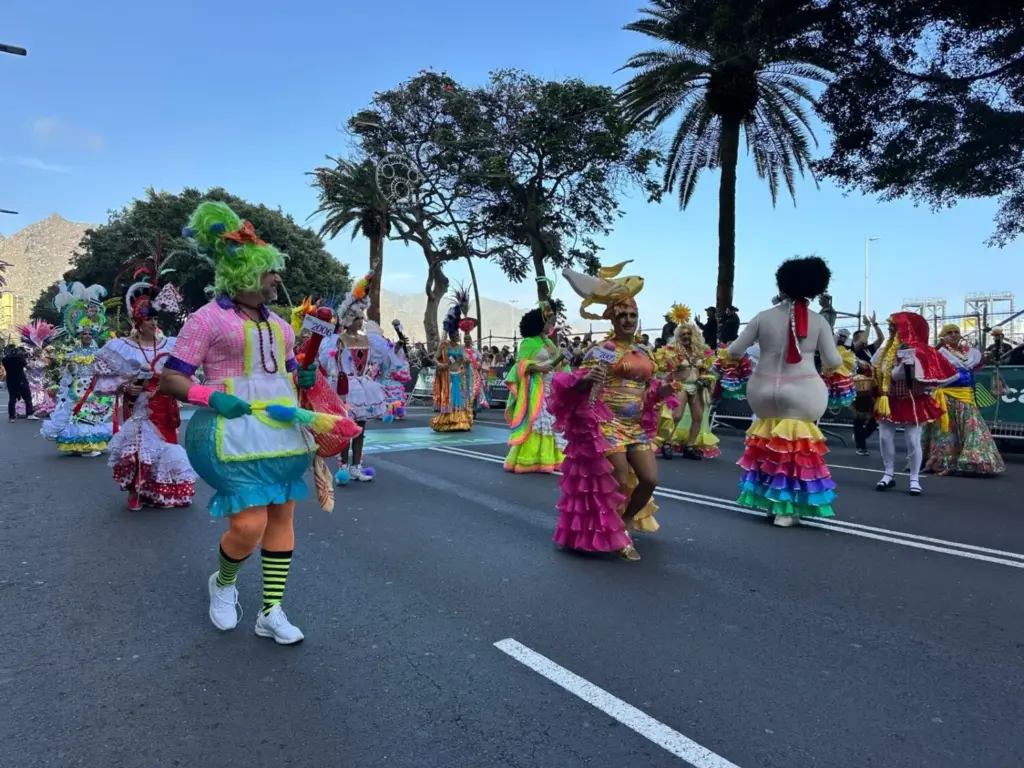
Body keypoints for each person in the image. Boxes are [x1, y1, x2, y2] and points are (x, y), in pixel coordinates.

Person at [159, 201, 330, 645]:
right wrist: (211, 396)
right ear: (246, 272)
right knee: (248, 526)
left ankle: (270, 610)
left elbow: (288, 374)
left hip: (280, 435)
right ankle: (223, 582)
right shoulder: (206, 320)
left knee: (282, 516)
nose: (277, 278)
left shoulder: (282, 328)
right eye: (270, 270)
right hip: (228, 434)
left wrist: (304, 377)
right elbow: (171, 378)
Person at [548, 261, 678, 561]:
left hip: (635, 427)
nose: (628, 320)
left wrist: (663, 391)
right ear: (612, 319)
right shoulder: (602, 350)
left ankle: (624, 521)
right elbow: (579, 387)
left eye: (633, 315)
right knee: (617, 477)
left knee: (650, 479)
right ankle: (616, 534)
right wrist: (586, 381)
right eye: (623, 315)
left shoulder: (645, 352)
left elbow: (648, 390)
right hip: (607, 425)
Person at [726, 256, 846, 527]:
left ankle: (771, 503)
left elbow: (734, 350)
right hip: (803, 389)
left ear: (782, 285)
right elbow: (833, 360)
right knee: (794, 452)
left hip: (762, 390)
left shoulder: (762, 317)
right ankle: (786, 510)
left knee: (768, 447)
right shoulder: (818, 321)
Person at [99, 275, 197, 510]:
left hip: (165, 407)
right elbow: (109, 382)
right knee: (139, 448)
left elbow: (183, 375)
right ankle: (136, 492)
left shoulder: (169, 345)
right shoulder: (122, 348)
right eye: (149, 319)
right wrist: (127, 387)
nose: (154, 323)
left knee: (166, 448)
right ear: (138, 322)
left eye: (155, 318)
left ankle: (160, 492)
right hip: (139, 407)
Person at [870, 312, 957, 496]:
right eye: (890, 326)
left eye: (894, 326)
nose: (890, 329)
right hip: (888, 400)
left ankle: (914, 478)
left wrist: (910, 367)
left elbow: (931, 375)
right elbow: (877, 368)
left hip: (912, 401)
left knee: (912, 439)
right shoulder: (885, 349)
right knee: (884, 438)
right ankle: (888, 474)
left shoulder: (921, 350)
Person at [318, 275, 388, 483]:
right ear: (348, 319)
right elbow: (326, 362)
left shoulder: (367, 339)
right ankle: (344, 467)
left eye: (361, 318)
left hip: (362, 387)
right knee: (345, 430)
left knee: (360, 429)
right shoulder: (336, 340)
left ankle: (357, 466)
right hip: (344, 388)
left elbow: (379, 358)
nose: (360, 321)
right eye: (357, 318)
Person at [922, 323, 1004, 476]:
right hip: (946, 398)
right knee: (946, 433)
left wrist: (994, 350)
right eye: (950, 332)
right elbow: (927, 361)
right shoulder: (940, 352)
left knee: (973, 429)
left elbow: (981, 362)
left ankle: (973, 462)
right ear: (943, 336)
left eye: (956, 332)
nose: (954, 334)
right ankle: (945, 463)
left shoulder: (970, 353)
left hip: (966, 397)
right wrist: (938, 345)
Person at [503, 298, 568, 473]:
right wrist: (538, 368)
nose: (551, 326)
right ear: (541, 323)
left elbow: (557, 364)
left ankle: (550, 458)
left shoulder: (550, 343)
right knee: (536, 420)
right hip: (534, 389)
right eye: (549, 323)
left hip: (551, 388)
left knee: (551, 422)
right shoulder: (529, 342)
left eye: (552, 323)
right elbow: (519, 366)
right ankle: (529, 459)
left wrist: (564, 362)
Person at [40, 319, 116, 457]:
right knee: (76, 416)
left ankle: (90, 445)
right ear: (80, 336)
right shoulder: (72, 354)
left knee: (92, 415)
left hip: (94, 389)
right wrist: (69, 372)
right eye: (84, 334)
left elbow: (104, 371)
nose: (87, 336)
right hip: (77, 389)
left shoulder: (99, 354)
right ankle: (78, 445)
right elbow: (68, 375)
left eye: (90, 334)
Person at [655, 305, 720, 460]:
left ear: (694, 335)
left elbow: (706, 368)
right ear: (678, 336)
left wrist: (705, 379)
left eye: (688, 334)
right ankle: (666, 443)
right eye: (683, 334)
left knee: (698, 417)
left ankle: (690, 446)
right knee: (676, 415)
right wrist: (671, 362)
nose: (686, 336)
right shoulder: (673, 350)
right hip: (680, 385)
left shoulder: (702, 351)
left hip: (697, 386)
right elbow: (664, 368)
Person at [431, 288, 475, 432]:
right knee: (449, 398)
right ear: (450, 335)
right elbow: (434, 358)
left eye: (458, 335)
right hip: (448, 376)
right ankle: (447, 421)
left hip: (459, 376)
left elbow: (466, 360)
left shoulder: (461, 348)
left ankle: (460, 420)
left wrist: (466, 361)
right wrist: (441, 365)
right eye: (454, 335)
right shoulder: (444, 345)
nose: (457, 336)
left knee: (459, 399)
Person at [3, 345, 35, 423]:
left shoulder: (5, 360)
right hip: (21, 380)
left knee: (12, 398)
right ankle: (30, 414)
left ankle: (11, 417)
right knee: (27, 397)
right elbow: (29, 367)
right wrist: (28, 359)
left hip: (10, 381)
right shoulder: (20, 359)